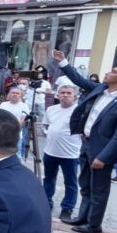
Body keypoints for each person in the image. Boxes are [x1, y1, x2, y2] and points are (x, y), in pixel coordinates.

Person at [52, 50, 117, 233]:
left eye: (113, 71)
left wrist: (103, 157)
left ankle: (94, 224)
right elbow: (80, 81)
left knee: (99, 190)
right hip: (87, 144)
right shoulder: (101, 89)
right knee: (86, 184)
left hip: (102, 151)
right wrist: (63, 62)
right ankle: (83, 217)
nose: (107, 73)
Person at [41, 85, 82, 221]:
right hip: (50, 151)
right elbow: (45, 125)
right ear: (57, 95)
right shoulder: (51, 109)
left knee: (70, 182)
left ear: (75, 96)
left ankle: (67, 208)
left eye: (68, 93)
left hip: (70, 153)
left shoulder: (79, 111)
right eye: (62, 93)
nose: (65, 95)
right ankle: (46, 203)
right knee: (49, 178)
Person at [0, 87, 28, 158]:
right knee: (1, 154)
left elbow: (23, 120)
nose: (14, 94)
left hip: (16, 134)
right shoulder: (3, 104)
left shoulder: (24, 106)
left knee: (17, 155)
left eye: (17, 93)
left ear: (21, 95)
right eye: (13, 93)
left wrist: (15, 132)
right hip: (2, 134)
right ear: (9, 95)